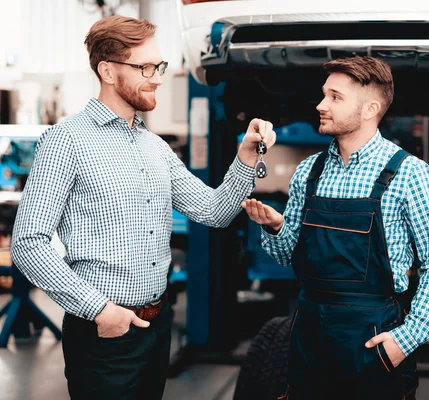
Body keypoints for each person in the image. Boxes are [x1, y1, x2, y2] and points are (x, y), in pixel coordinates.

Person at [10, 15, 275, 400]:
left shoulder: (155, 147)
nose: (157, 77)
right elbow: (28, 243)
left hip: (156, 326)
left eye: (159, 66)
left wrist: (246, 158)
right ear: (108, 71)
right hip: (103, 332)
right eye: (145, 67)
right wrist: (100, 310)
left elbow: (213, 211)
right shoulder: (66, 141)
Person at [242, 56, 429, 399]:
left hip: (373, 340)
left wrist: (408, 337)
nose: (321, 105)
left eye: (335, 97)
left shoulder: (408, 173)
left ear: (370, 108)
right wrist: (274, 227)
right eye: (324, 94)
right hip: (309, 335)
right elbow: (287, 255)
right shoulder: (308, 172)